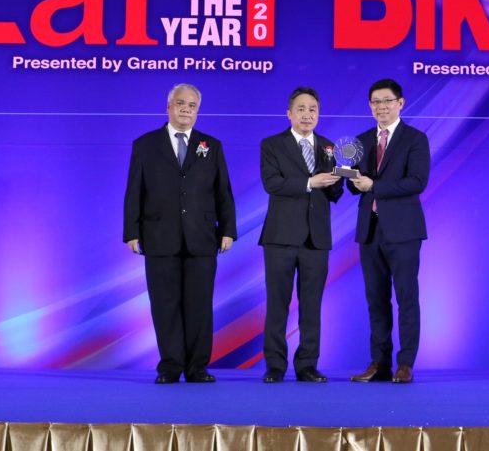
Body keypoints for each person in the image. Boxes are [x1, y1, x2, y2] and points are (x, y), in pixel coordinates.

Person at [123, 83, 236, 384]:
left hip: (202, 237)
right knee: (165, 305)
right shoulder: (145, 144)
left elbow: (223, 191)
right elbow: (134, 191)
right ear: (168, 107)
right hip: (159, 236)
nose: (186, 109)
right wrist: (132, 231)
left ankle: (197, 367)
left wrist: (228, 229)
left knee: (199, 305)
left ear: (198, 111)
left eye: (192, 105)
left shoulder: (211, 145)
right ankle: (170, 366)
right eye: (181, 103)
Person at [259, 87, 343, 383]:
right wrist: (310, 182)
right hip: (280, 237)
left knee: (312, 305)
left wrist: (342, 176)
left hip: (316, 239)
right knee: (277, 304)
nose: (308, 115)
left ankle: (307, 364)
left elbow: (334, 193)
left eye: (313, 110)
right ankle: (275, 366)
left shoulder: (329, 146)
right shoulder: (272, 144)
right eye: (302, 109)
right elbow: (272, 183)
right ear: (289, 113)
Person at [347, 78, 429, 384]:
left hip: (403, 231)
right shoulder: (361, 140)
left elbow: (416, 182)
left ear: (400, 103)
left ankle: (405, 363)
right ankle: (379, 363)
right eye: (375, 102)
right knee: (375, 299)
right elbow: (357, 186)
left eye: (387, 101)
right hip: (370, 229)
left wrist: (375, 186)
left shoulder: (415, 138)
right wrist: (351, 180)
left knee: (406, 297)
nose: (381, 107)